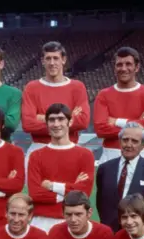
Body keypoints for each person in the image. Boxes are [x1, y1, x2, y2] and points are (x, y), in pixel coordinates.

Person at [21, 41, 90, 172]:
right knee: (37, 192)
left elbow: (83, 121)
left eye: (56, 58)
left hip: (70, 148)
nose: (52, 63)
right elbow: (28, 124)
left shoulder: (77, 87)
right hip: (39, 147)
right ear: (42, 61)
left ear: (63, 60)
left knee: (69, 191)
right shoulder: (32, 87)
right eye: (48, 58)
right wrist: (68, 117)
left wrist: (42, 118)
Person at [27, 103, 94, 234]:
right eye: (52, 120)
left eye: (61, 119)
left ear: (70, 122)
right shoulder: (36, 156)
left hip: (72, 221)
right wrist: (72, 188)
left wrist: (52, 186)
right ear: (46, 124)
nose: (56, 124)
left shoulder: (85, 155)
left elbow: (83, 193)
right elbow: (35, 193)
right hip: (42, 221)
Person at [94, 47, 144, 164]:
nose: (123, 68)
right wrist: (138, 123)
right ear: (115, 68)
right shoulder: (103, 95)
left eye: (128, 64)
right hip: (110, 156)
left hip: (141, 154)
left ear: (137, 67)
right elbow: (100, 129)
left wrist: (117, 121)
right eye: (119, 64)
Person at [96, 122, 144, 233]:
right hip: (110, 233)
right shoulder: (105, 169)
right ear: (119, 141)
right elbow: (101, 203)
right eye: (125, 140)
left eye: (134, 141)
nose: (129, 144)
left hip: (140, 234)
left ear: (143, 145)